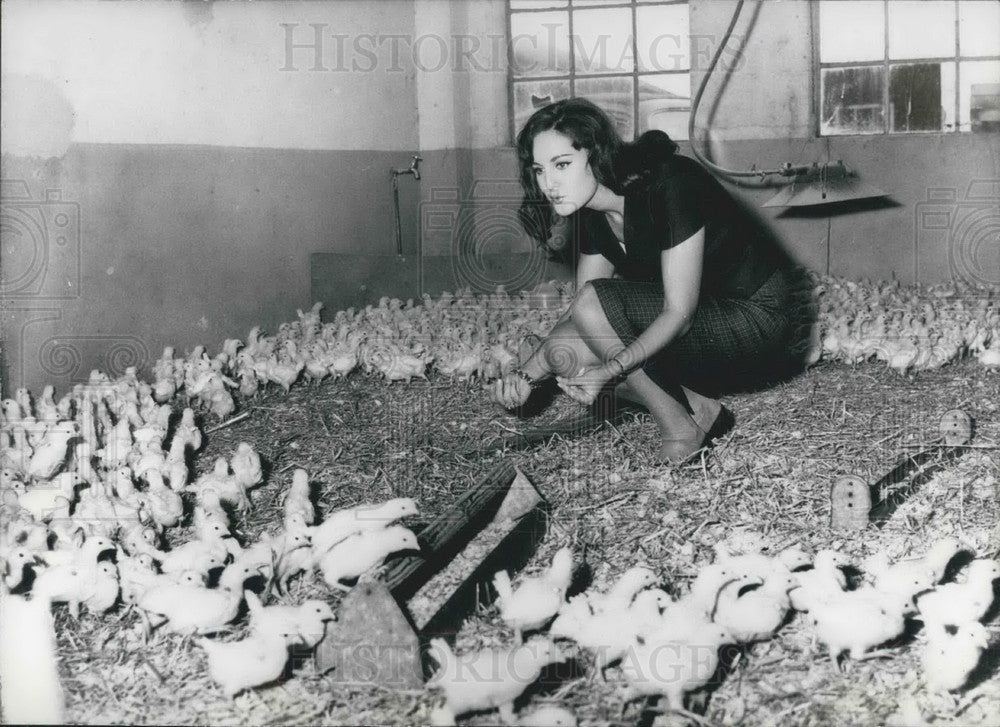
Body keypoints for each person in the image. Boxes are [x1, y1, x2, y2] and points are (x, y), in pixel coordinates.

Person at [487, 97, 800, 464]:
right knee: (567, 352)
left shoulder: (672, 183)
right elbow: (578, 317)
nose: (549, 184)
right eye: (539, 170)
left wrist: (608, 370)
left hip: (758, 319)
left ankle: (681, 430)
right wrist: (525, 375)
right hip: (707, 318)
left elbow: (677, 315)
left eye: (562, 164)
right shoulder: (591, 211)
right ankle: (698, 409)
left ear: (597, 154)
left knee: (594, 306)